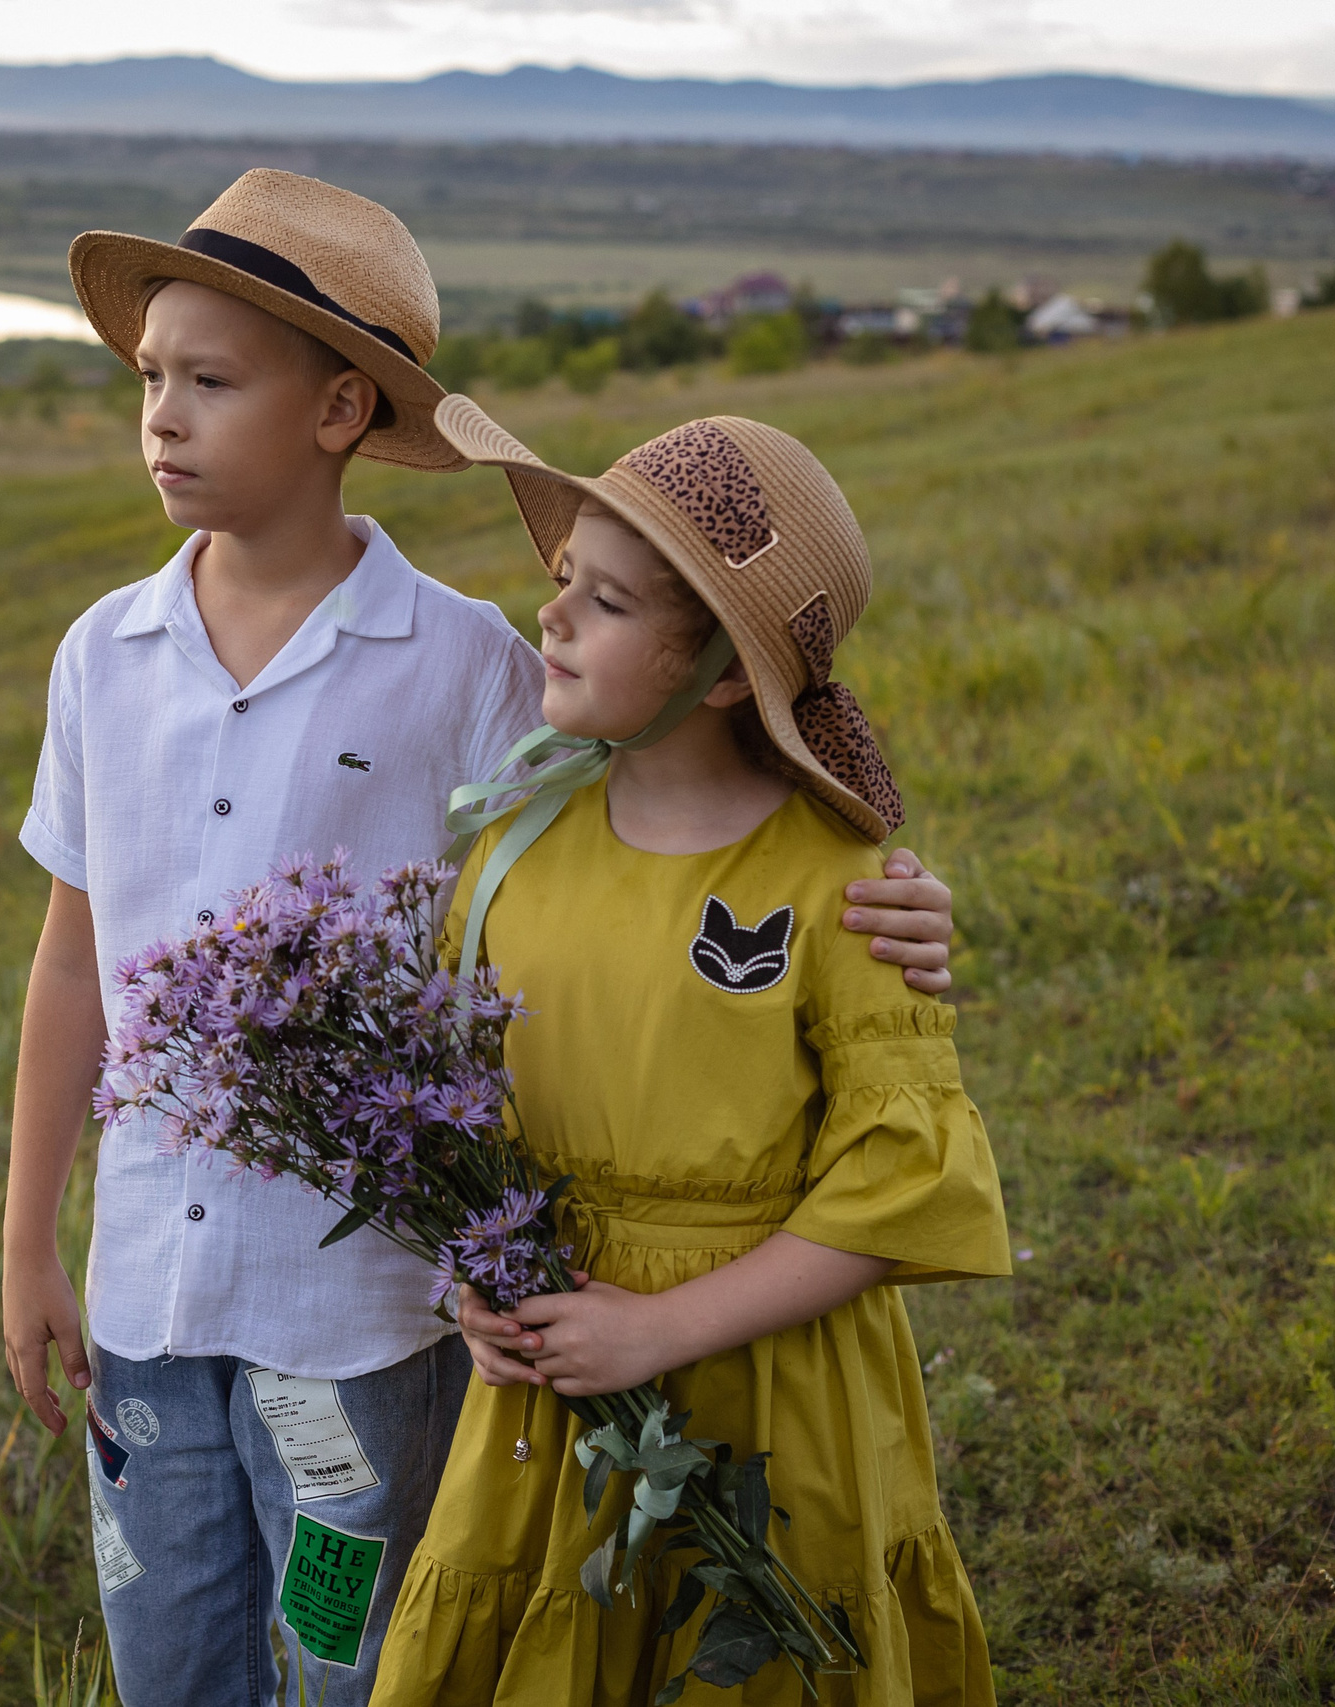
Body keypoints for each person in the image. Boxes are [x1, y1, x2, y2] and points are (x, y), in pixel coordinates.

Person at [2, 170, 961, 1706]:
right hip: (141, 1303)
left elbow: (665, 813)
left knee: (347, 1663)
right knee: (165, 1662)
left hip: (360, 1314)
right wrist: (25, 1237)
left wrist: (891, 896)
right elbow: (73, 963)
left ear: (336, 412)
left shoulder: (469, 667)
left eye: (211, 381)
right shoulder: (100, 656)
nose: (162, 417)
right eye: (150, 380)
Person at [372, 399, 1011, 1707]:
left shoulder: (838, 880)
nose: (550, 616)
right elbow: (456, 1120)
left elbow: (901, 1184)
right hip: (555, 1386)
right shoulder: (511, 847)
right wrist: (476, 1293)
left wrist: (663, 1329)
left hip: (769, 1381)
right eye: (562, 581)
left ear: (724, 672)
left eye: (605, 602)